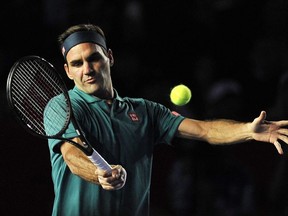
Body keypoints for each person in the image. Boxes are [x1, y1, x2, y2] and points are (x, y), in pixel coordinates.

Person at [46, 23, 288, 216]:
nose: (87, 69)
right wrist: (98, 174)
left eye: (94, 58)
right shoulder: (62, 106)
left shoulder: (145, 111)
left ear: (109, 57)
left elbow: (204, 130)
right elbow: (72, 155)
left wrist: (247, 130)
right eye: (77, 64)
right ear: (68, 71)